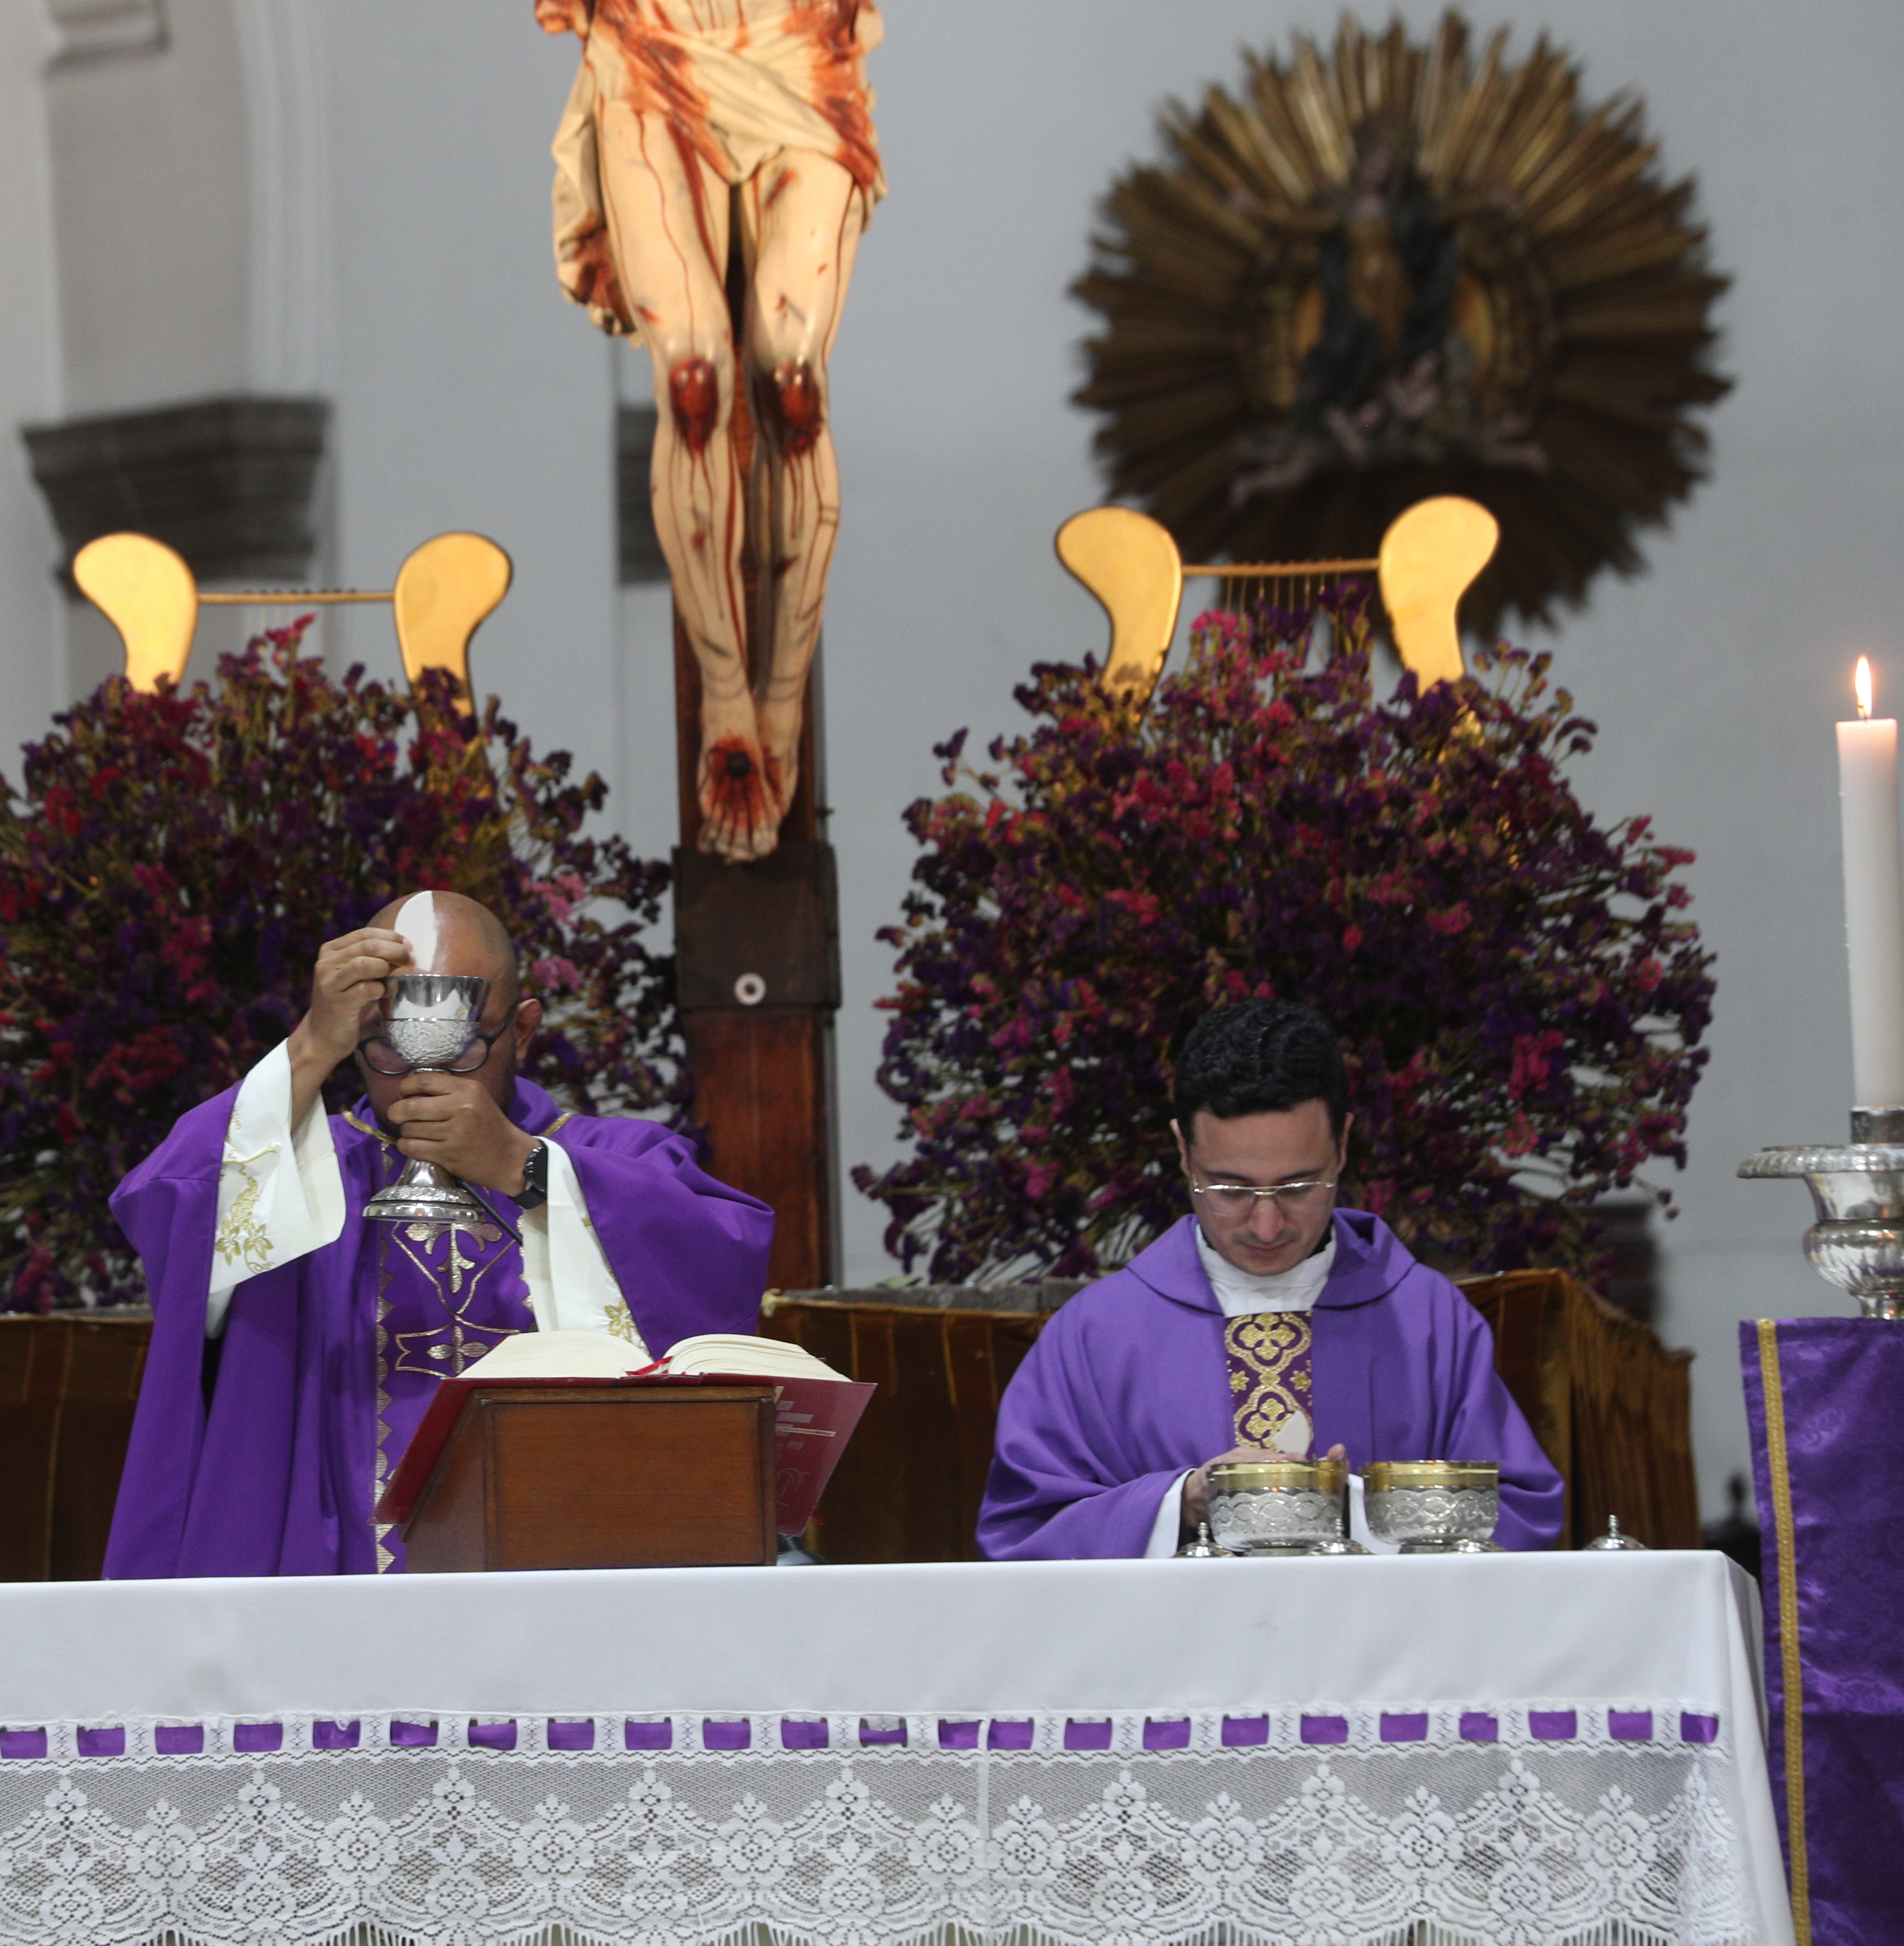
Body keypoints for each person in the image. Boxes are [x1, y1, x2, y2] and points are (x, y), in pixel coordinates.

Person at [106, 890, 775, 1577]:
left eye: (467, 1039)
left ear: (523, 1030)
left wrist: (529, 1170)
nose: (423, 1069)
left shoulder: (616, 1159)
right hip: (342, 1583)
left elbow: (721, 1254)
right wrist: (311, 1044)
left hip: (569, 1574)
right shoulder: (303, 1173)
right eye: (385, 1041)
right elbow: (170, 1209)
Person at [977, 999, 1562, 1559]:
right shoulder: (1096, 1333)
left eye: (1299, 1187)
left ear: (1343, 1146)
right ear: (1183, 1150)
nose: (1265, 1224)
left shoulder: (1427, 1321)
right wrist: (1180, 1503)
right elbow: (1024, 1534)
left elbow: (1520, 1517)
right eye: (1230, 1189)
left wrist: (1358, 1507)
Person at [541, 0, 883, 862]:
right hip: (653, 43)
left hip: (799, 43)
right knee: (693, 383)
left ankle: (783, 700)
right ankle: (726, 696)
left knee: (790, 380)